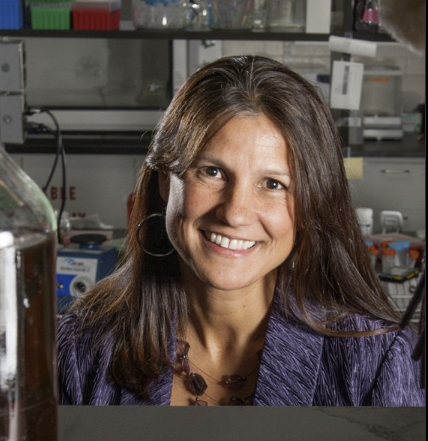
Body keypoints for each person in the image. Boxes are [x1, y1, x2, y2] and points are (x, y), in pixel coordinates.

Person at [58, 55, 424, 406]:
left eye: (273, 184)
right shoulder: (81, 349)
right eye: (212, 172)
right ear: (165, 182)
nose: (235, 213)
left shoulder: (377, 361)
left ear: (311, 206)